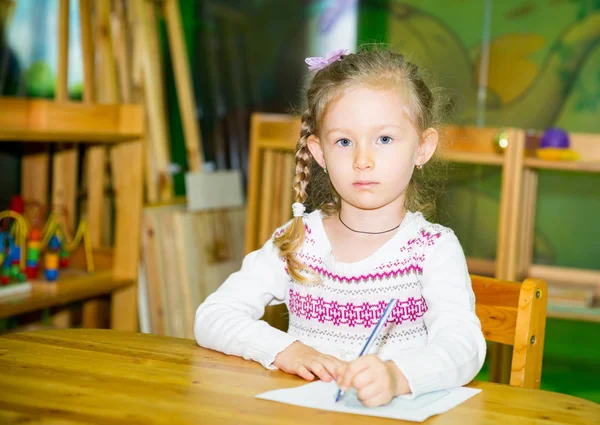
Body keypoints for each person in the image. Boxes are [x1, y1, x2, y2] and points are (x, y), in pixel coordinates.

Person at [194, 47, 486, 408]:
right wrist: (285, 349)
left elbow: (464, 346)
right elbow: (213, 316)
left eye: (384, 139)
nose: (363, 160)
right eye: (344, 141)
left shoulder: (433, 249)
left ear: (422, 148)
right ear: (319, 153)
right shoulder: (298, 242)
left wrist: (398, 376)